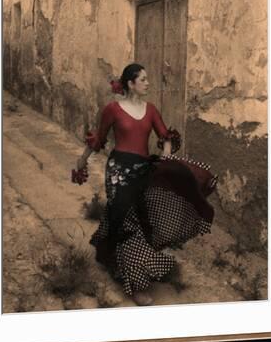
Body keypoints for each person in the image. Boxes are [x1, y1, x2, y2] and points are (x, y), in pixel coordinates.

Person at [74, 63, 215, 307]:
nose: (148, 83)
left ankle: (113, 257)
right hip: (118, 172)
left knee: (140, 219)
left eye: (148, 79)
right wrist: (81, 160)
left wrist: (167, 158)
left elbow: (165, 137)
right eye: (143, 79)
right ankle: (136, 285)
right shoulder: (113, 109)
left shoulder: (151, 110)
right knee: (125, 219)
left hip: (143, 170)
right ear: (130, 83)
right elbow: (99, 138)